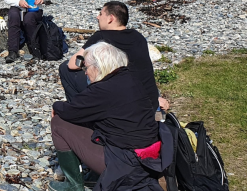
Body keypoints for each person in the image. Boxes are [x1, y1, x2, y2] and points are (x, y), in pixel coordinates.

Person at [51, 42, 170, 191]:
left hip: (125, 164)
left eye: (86, 67)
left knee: (58, 122)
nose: (85, 72)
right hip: (150, 157)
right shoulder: (132, 79)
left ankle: (73, 185)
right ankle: (95, 177)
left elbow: (70, 111)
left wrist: (56, 106)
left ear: (98, 66)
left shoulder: (102, 90)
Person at [59, 1, 168, 112]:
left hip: (118, 100)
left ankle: (78, 110)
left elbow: (73, 64)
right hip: (148, 100)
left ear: (110, 18)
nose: (97, 17)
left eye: (101, 14)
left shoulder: (101, 37)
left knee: (65, 68)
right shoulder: (138, 37)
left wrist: (83, 64)